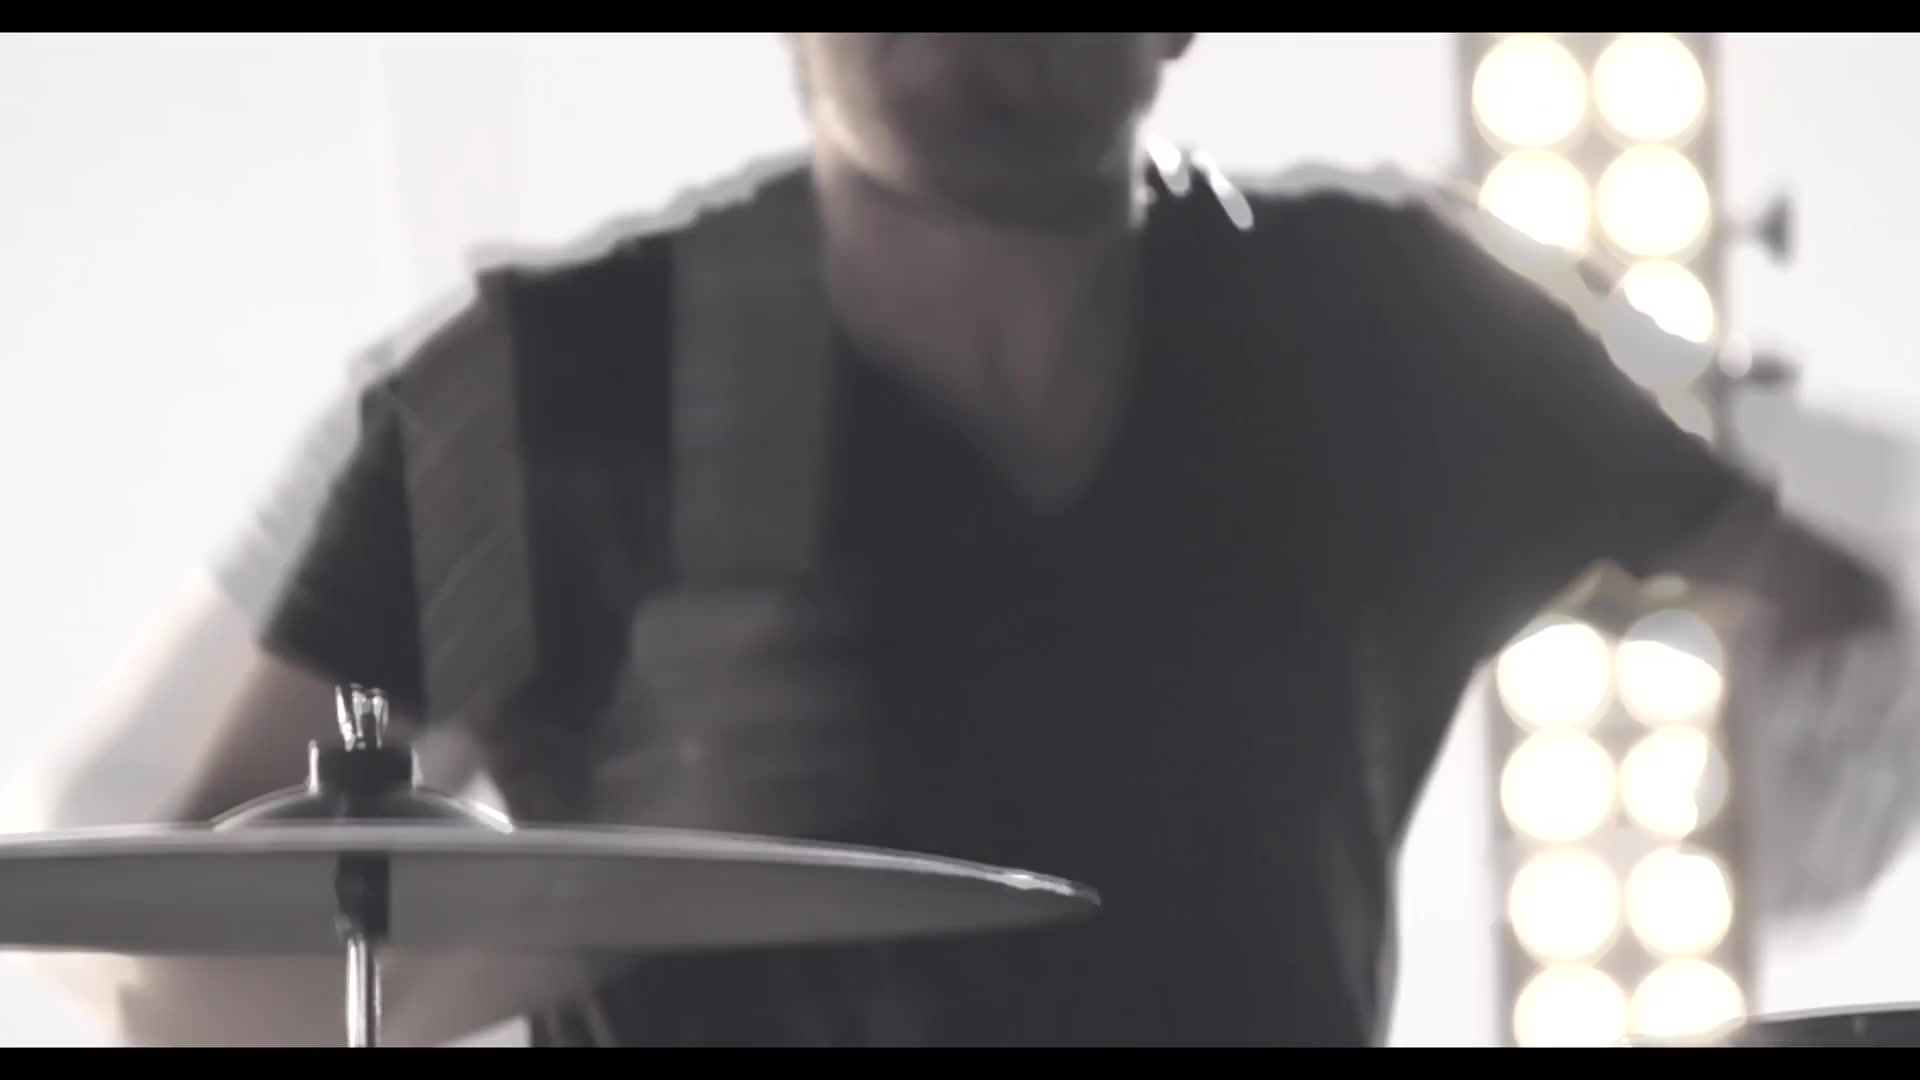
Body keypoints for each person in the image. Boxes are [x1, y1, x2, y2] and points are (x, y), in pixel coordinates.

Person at [1, 32, 1911, 1047]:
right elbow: (169, 986)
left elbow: (1822, 585)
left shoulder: (1383, 331)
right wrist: (599, 887)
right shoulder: (538, 399)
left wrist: (1823, 725)